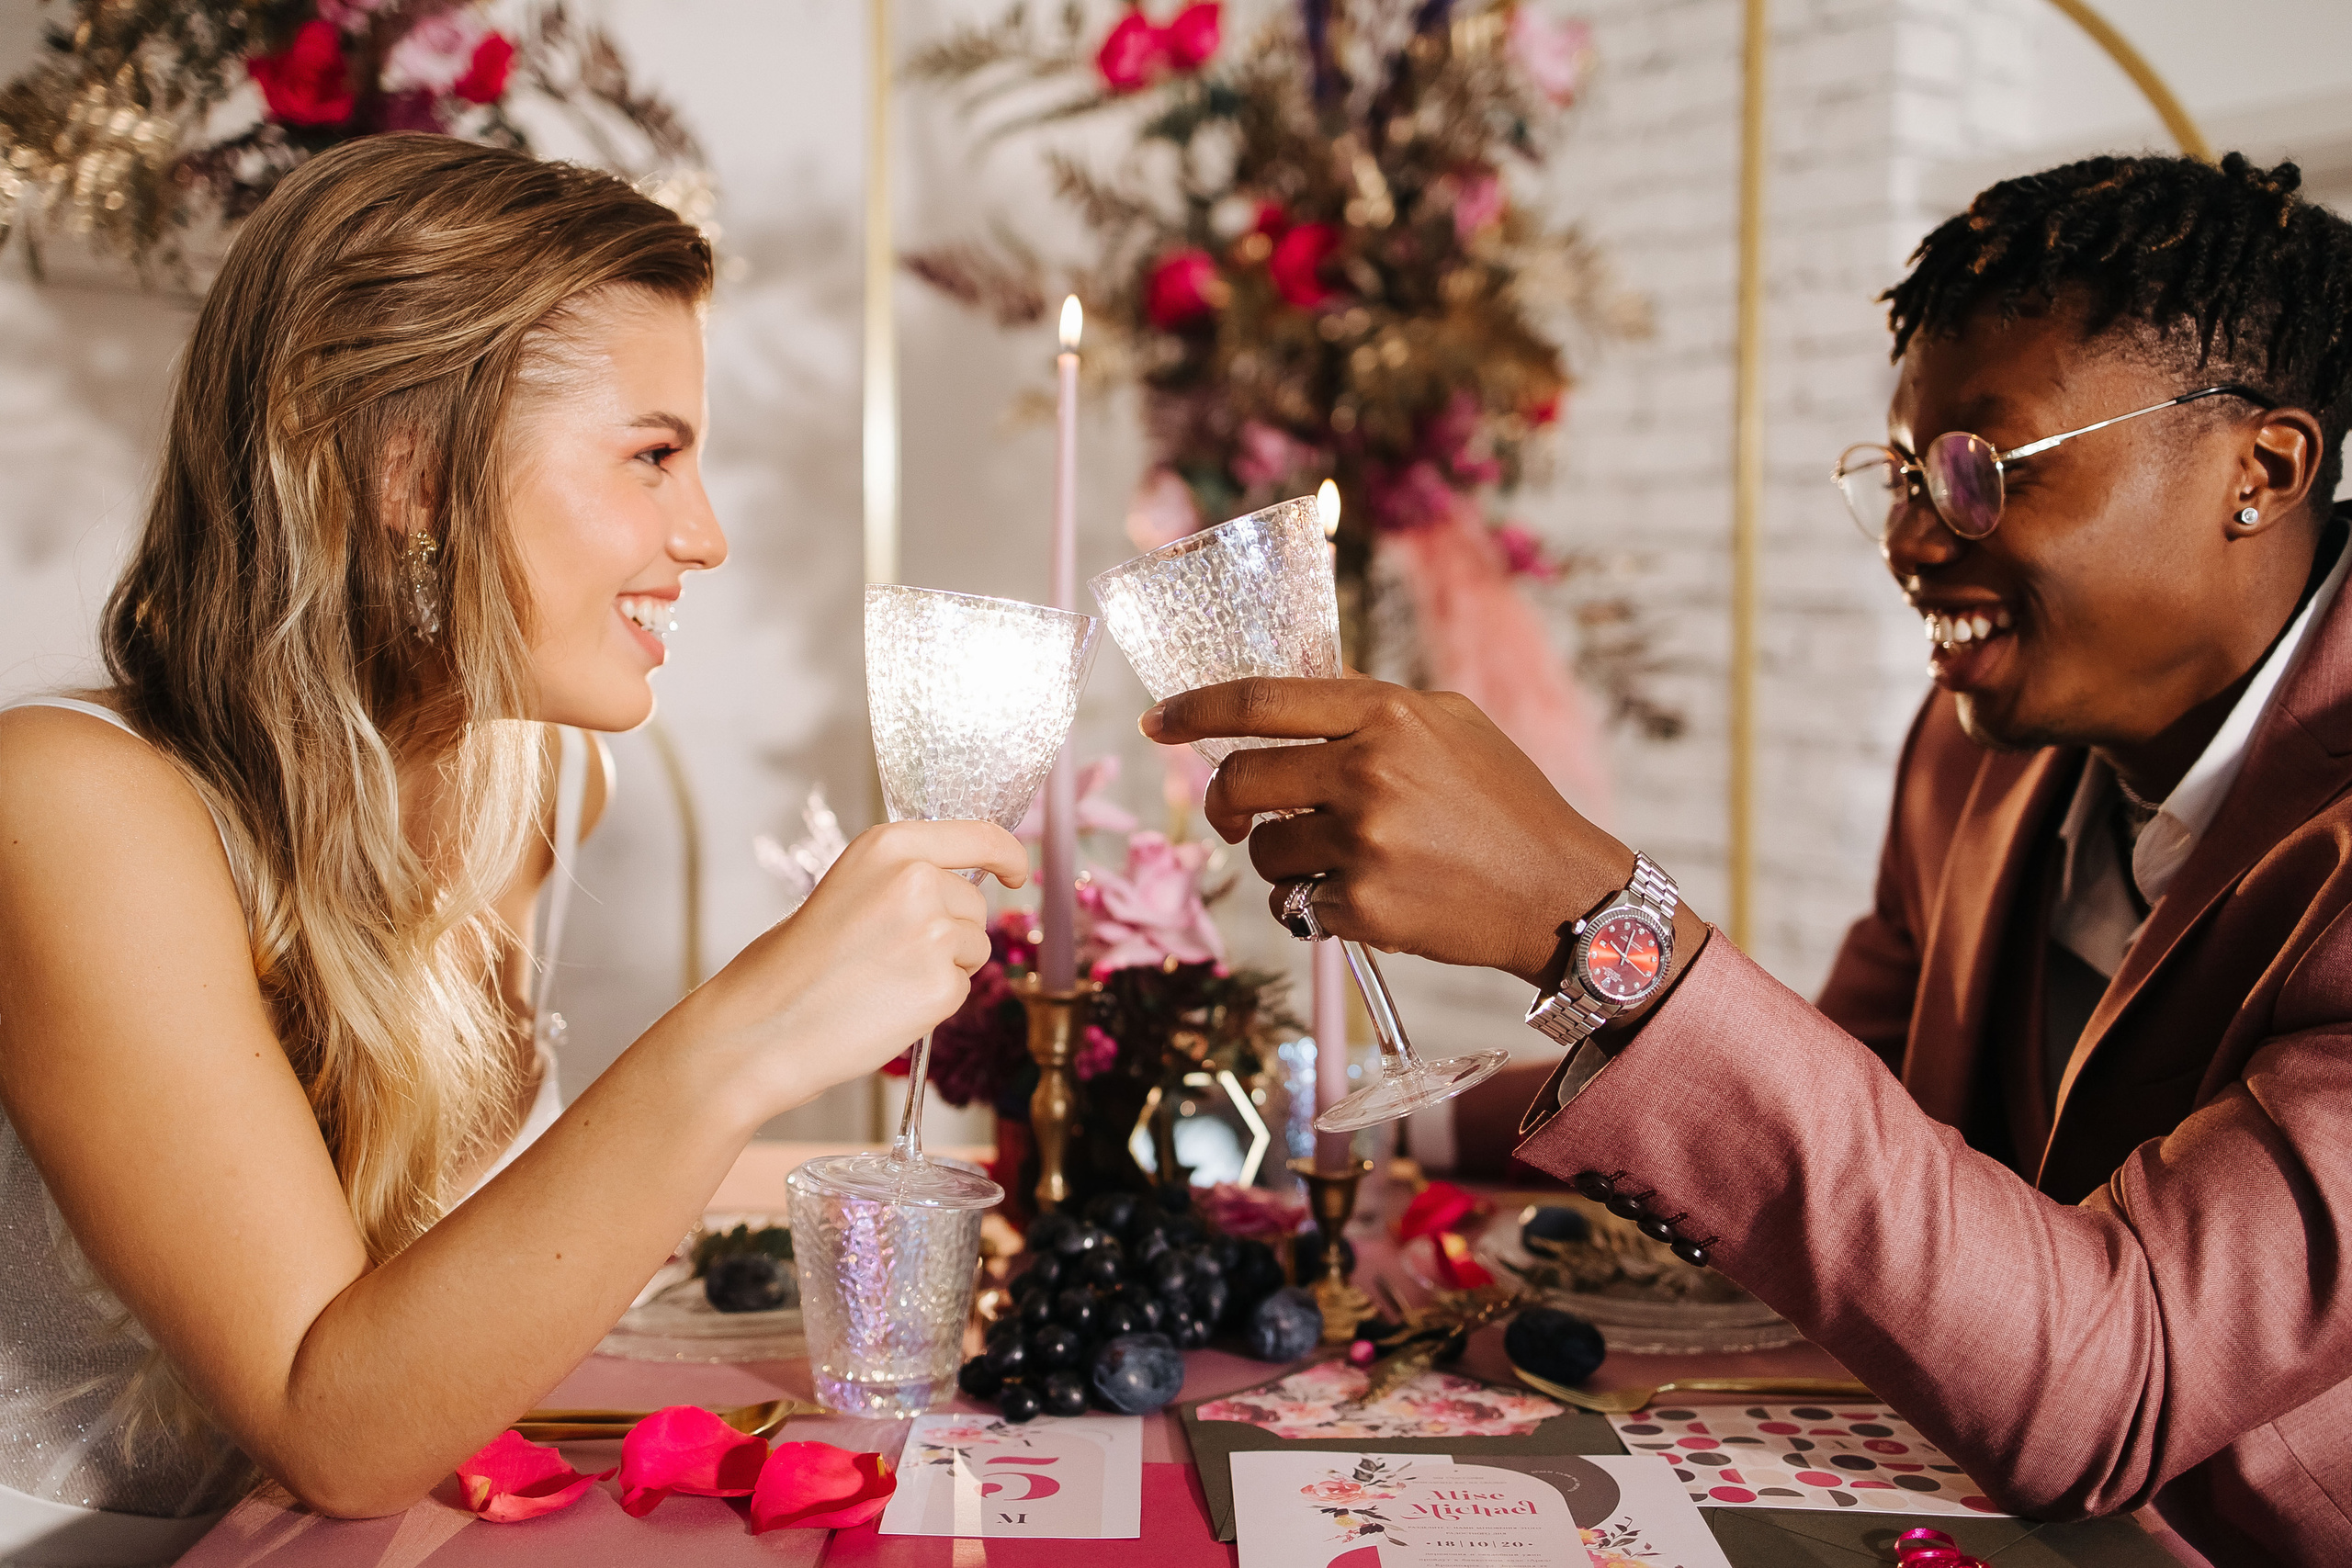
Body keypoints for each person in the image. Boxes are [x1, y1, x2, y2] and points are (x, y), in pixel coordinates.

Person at [1144, 153, 2352, 1567]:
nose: (1910, 540)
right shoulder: (1977, 747)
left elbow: (2117, 1380)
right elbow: (1851, 1111)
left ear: (2261, 471)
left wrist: (1596, 923)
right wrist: (1348, 1128)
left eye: (1979, 472)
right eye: (1901, 474)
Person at [0, 135, 1023, 1560]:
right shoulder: (67, 805)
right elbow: (335, 1424)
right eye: (652, 457)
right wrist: (745, 1033)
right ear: (407, 466)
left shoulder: (540, 779)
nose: (706, 534)